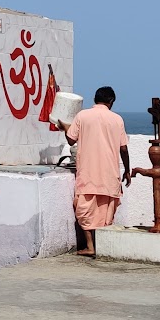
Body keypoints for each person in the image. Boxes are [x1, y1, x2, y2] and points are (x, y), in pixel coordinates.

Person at [57, 85, 131, 256]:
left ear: (94, 99)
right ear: (111, 102)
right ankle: (102, 246)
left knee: (84, 210)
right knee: (106, 211)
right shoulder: (117, 119)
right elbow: (124, 149)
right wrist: (127, 170)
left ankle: (90, 246)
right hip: (110, 174)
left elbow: (70, 140)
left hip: (88, 173)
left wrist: (64, 127)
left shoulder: (82, 116)